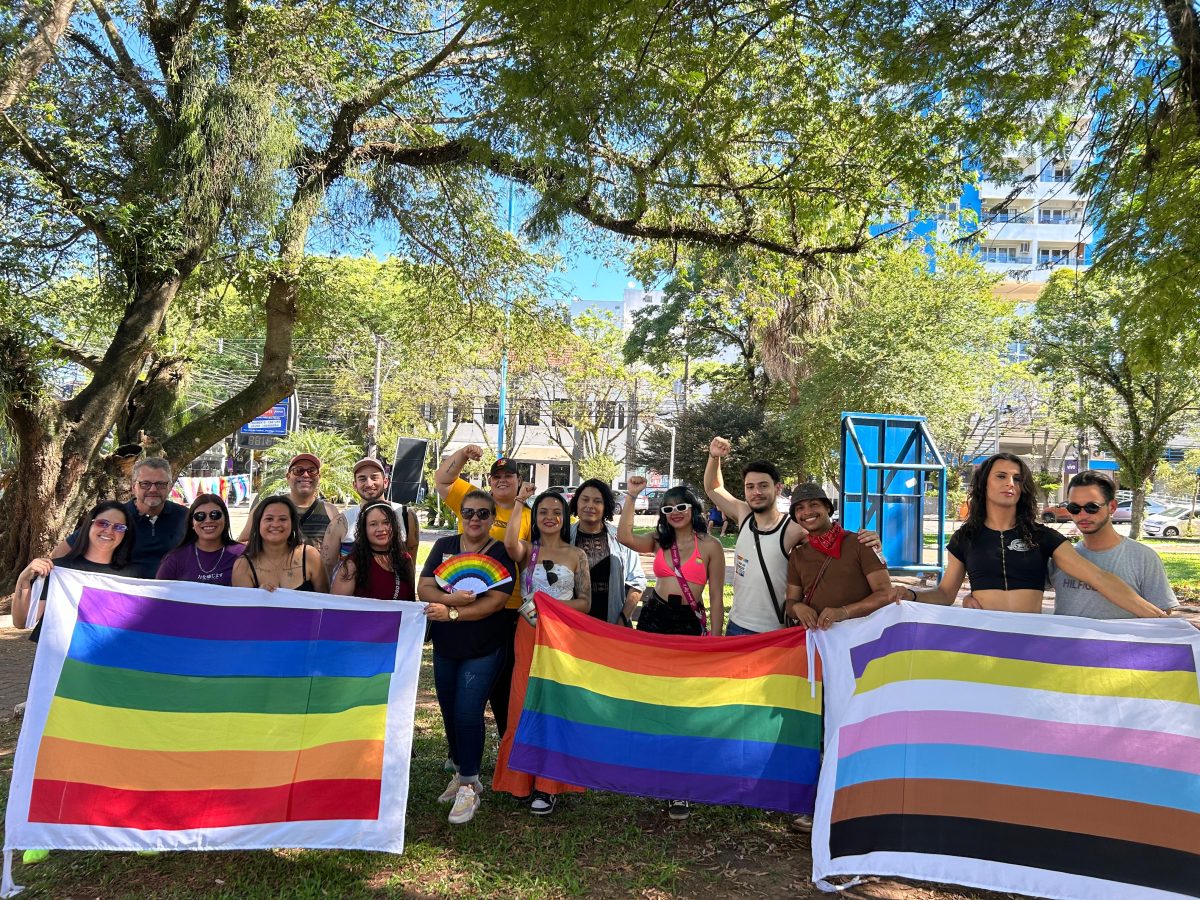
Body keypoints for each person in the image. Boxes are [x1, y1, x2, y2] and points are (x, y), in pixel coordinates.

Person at [910, 453, 1168, 616]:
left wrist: (1161, 620)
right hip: (983, 637)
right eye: (1001, 476)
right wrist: (909, 595)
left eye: (1017, 478)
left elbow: (1099, 578)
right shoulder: (964, 537)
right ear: (984, 483)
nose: (1010, 483)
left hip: (1031, 639)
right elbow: (944, 595)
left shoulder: (1044, 537)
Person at [618, 476, 726, 821]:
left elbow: (718, 599)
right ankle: (652, 772)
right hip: (653, 617)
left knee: (684, 703)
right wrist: (632, 496)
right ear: (662, 514)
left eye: (681, 506)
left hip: (688, 622)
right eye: (668, 508)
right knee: (652, 696)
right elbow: (624, 537)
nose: (675, 512)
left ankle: (680, 788)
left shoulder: (710, 545)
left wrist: (716, 640)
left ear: (692, 509)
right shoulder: (658, 542)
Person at [704, 437, 884, 636]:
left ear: (778, 488)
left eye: (764, 485)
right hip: (736, 625)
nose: (756, 492)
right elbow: (713, 488)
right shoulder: (743, 514)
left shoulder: (795, 529)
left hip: (775, 631)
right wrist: (714, 457)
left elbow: (830, 539)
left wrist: (867, 540)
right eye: (750, 487)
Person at [417, 490, 517, 825]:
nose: (475, 519)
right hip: (447, 645)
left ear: (492, 518)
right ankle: (460, 772)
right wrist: (455, 598)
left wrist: (453, 612)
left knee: (467, 711)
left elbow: (496, 601)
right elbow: (425, 588)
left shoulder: (501, 552)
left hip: (485, 644)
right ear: (460, 514)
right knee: (448, 709)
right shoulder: (444, 546)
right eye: (469, 512)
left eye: (483, 514)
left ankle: (470, 785)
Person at [498, 485, 592, 816]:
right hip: (528, 632)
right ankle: (519, 781)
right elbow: (510, 544)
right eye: (543, 512)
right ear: (534, 519)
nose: (550, 517)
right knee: (522, 703)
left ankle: (549, 787)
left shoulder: (576, 555)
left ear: (565, 518)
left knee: (554, 704)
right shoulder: (528, 550)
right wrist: (520, 502)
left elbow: (585, 601)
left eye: (556, 512)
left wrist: (554, 607)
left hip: (561, 637)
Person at [434, 447, 532, 739]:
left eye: (509, 476)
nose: (502, 480)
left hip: (509, 608)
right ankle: (458, 750)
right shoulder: (476, 503)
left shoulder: (529, 514)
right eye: (496, 476)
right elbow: (441, 480)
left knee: (504, 687)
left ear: (518, 480)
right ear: (490, 481)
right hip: (463, 603)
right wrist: (463, 454)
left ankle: (506, 749)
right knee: (460, 688)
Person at [1050, 470, 1179, 618]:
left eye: (1092, 507)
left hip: (1119, 642)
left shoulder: (1143, 558)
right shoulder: (1061, 556)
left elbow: (1162, 616)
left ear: (1112, 506)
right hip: (1066, 641)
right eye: (1074, 508)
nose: (1082, 515)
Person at [14, 500, 137, 640]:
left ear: (125, 533)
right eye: (102, 523)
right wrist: (23, 580)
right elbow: (22, 622)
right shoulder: (57, 571)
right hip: (59, 660)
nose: (109, 531)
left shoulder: (132, 578)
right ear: (89, 524)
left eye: (119, 527)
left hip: (105, 659)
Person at [53, 457, 187, 578]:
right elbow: (58, 556)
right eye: (145, 484)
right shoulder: (115, 517)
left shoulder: (187, 518)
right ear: (133, 487)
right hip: (121, 598)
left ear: (169, 487)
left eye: (160, 484)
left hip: (170, 599)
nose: (153, 489)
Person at [784, 484, 896, 629]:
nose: (807, 512)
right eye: (800, 508)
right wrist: (798, 608)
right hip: (819, 641)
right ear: (796, 517)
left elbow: (886, 594)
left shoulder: (862, 542)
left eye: (814, 505)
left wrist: (845, 612)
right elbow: (791, 602)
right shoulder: (798, 555)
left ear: (828, 508)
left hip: (860, 638)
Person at [569, 479, 646, 625]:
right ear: (576, 503)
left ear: (606, 507)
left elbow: (637, 582)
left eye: (597, 501)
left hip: (612, 626)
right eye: (585, 500)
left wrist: (622, 620)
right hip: (572, 629)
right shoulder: (564, 537)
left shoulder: (621, 539)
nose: (590, 505)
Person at [321, 457, 419, 573]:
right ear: (354, 485)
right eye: (362, 479)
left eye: (374, 477)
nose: (369, 483)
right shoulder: (341, 522)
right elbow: (327, 568)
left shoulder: (406, 515)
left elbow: (410, 565)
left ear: (386, 482)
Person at [238, 453, 339, 549]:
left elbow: (339, 550)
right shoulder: (266, 508)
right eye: (298, 470)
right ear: (288, 476)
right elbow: (241, 544)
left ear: (319, 477)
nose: (305, 475)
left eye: (312, 471)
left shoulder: (331, 511)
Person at [231, 495, 329, 593]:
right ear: (258, 523)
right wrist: (256, 596)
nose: (276, 524)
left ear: (292, 524)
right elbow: (242, 607)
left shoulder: (310, 555)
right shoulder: (243, 565)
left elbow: (325, 601)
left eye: (283, 519)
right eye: (269, 519)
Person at [331, 501, 415, 601]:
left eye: (386, 522)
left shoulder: (405, 559)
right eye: (373, 524)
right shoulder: (352, 565)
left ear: (395, 526)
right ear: (364, 529)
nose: (381, 529)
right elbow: (336, 607)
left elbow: (411, 603)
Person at [157, 493, 245, 586]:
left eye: (215, 514)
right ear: (192, 523)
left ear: (225, 519)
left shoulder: (243, 553)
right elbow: (158, 595)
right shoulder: (175, 559)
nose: (208, 520)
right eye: (200, 516)